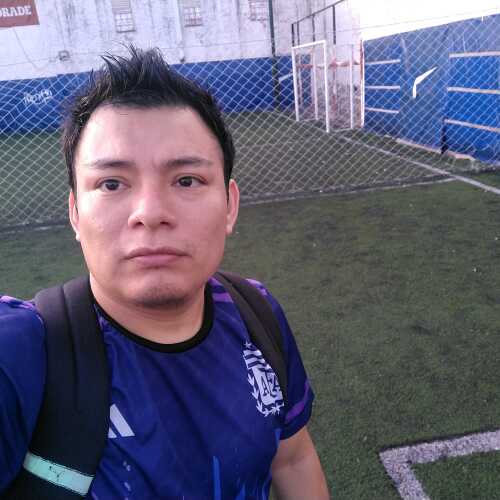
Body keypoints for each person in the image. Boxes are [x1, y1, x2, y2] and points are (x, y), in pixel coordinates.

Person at [0, 46, 329, 499]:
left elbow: (292, 458)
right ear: (75, 213)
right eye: (111, 183)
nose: (150, 212)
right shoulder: (22, 352)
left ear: (230, 206)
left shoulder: (258, 313)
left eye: (187, 180)